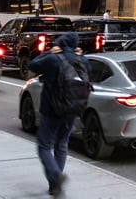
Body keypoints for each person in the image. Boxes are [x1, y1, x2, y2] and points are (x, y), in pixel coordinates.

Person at [29, 32, 90, 196]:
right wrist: (80, 54)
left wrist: (49, 51)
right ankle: (54, 186)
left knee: (44, 146)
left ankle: (56, 177)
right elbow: (89, 73)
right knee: (61, 145)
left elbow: (33, 65)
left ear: (60, 43)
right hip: (72, 109)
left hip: (51, 109)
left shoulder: (52, 59)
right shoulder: (82, 60)